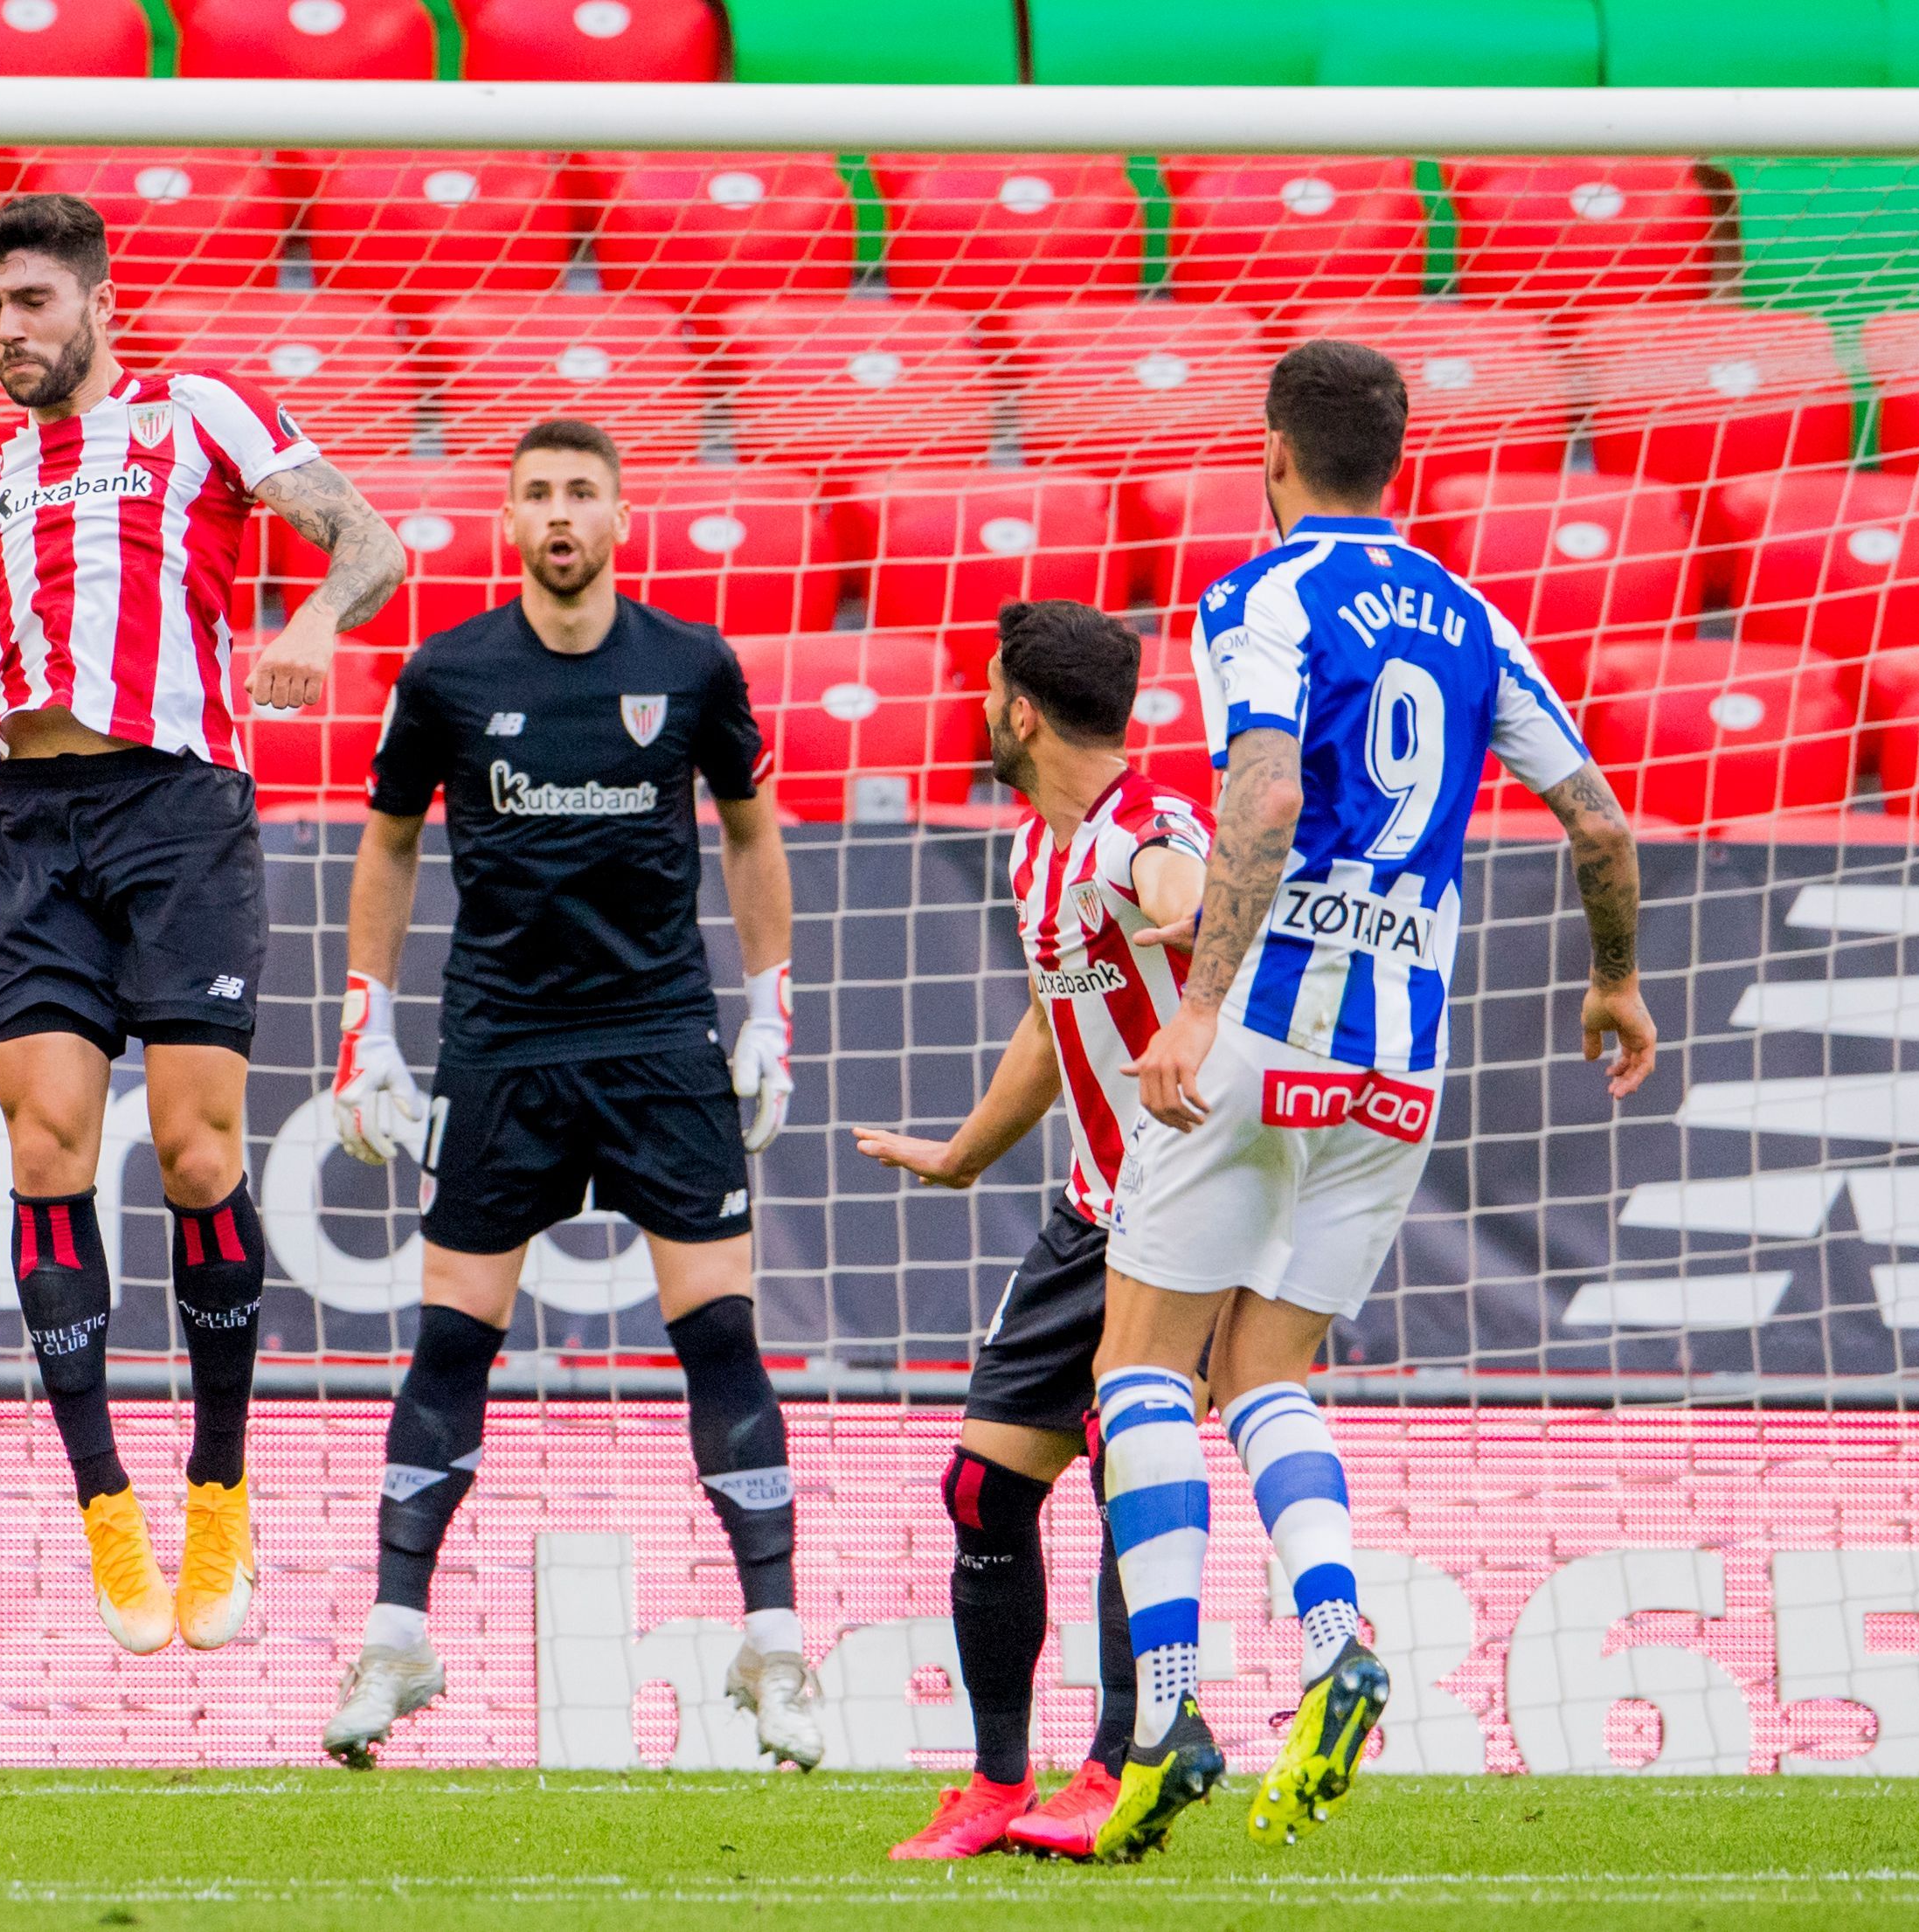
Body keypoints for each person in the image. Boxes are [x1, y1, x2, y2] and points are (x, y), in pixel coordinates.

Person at [0, 192, 406, 1658]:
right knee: (46, 1148)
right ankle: (109, 1504)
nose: (7, 331)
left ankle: (218, 1487)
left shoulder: (198, 410)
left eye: (32, 301)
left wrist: (312, 621)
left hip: (182, 813)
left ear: (99, 301)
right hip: (37, 825)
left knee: (196, 1153)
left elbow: (369, 541)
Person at [1090, 339, 1660, 1860]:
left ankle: (1168, 1712)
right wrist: (1615, 983)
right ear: (1395, 460)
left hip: (1264, 1029)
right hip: (1399, 1062)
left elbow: (1268, 791)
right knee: (1267, 1373)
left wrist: (1198, 1004)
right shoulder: (1473, 616)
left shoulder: (1259, 598)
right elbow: (1601, 825)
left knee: (1140, 1367)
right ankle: (1338, 1642)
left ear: (1274, 453)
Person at [312, 418, 818, 1769]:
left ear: (619, 517)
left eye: (581, 492)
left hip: (660, 1046)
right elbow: (388, 842)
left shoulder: (692, 665)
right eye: (535, 493)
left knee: (722, 1338)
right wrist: (366, 1026)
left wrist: (770, 1008)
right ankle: (396, 1638)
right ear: (507, 520)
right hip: (501, 1048)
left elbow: (752, 829)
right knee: (449, 1343)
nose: (558, 514)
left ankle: (775, 1646)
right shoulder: (448, 672)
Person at [854, 599, 1206, 1860]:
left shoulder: (1146, 830)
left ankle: (1118, 1770)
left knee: (1129, 1481)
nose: (980, 711)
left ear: (1023, 713)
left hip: (1182, 1218)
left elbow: (1181, 884)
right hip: (1088, 1212)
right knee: (982, 1489)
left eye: (990, 690)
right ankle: (998, 1784)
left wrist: (1195, 923)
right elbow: (1058, 1020)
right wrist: (963, 1153)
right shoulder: (1033, 852)